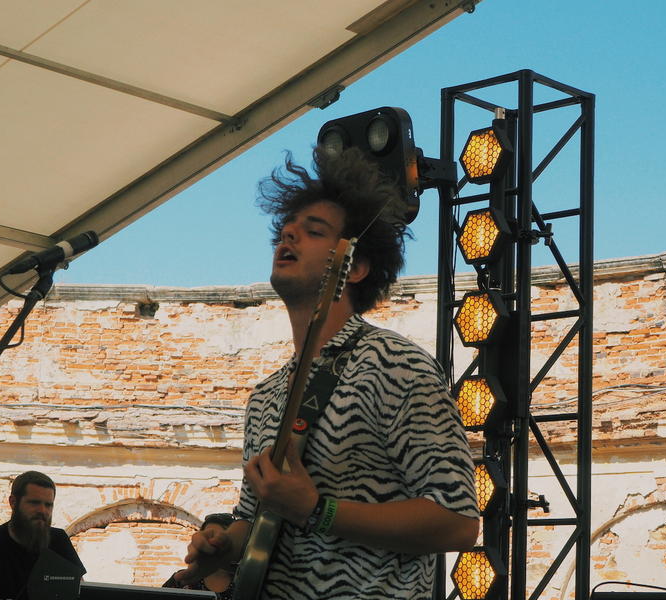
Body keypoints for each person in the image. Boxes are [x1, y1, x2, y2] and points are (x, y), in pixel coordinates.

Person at [176, 147, 480, 599]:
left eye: (312, 231)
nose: (289, 237)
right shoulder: (266, 395)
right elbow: (255, 518)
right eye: (285, 230)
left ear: (353, 267)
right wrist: (224, 546)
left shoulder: (396, 365)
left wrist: (319, 510)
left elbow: (456, 523)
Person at [0, 470, 85, 600]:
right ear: (13, 502)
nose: (43, 510)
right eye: (34, 503)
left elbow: (80, 590)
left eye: (48, 505)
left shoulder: (58, 539)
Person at [163, 513, 236, 599]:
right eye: (208, 534)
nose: (214, 540)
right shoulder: (183, 580)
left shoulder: (247, 581)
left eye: (221, 535)